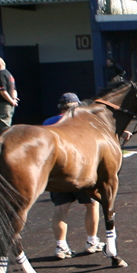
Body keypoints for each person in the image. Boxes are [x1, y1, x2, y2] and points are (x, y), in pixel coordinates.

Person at [43, 93, 103, 260]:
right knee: (92, 205)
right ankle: (92, 241)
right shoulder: (81, 122)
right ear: (76, 106)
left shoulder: (47, 123)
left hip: (56, 173)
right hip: (80, 171)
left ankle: (61, 246)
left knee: (60, 209)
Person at [0, 56, 18, 134]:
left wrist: (11, 101)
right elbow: (14, 89)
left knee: (2, 129)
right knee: (6, 126)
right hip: (8, 104)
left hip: (2, 105)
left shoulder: (1, 75)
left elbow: (3, 92)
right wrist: (14, 99)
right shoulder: (8, 74)